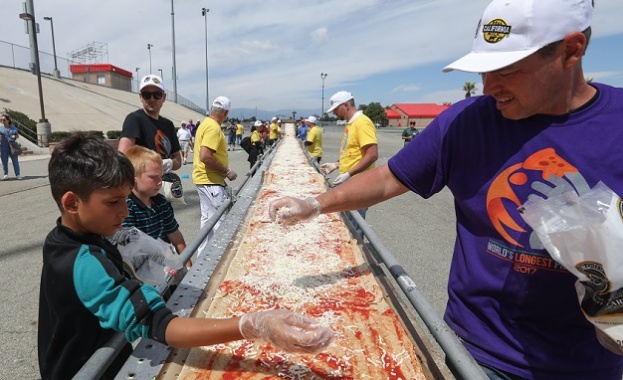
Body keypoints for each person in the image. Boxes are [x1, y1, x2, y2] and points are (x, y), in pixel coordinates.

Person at [269, 0, 623, 379]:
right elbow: (390, 177)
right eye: (485, 71)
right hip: (478, 353)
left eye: (507, 70)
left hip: (587, 362)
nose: (490, 88)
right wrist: (315, 203)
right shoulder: (467, 121)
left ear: (571, 51)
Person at [39, 133, 334, 380]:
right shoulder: (86, 264)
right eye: (114, 202)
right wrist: (253, 324)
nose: (125, 211)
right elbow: (162, 326)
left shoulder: (63, 239)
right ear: (72, 203)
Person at [320, 91, 378, 236]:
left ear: (346, 105)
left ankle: (357, 255)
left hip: (360, 184)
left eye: (336, 109)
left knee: (354, 226)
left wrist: (349, 174)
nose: (334, 113)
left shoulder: (362, 123)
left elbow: (372, 155)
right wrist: (336, 164)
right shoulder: (350, 124)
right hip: (351, 182)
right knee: (347, 224)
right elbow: (353, 153)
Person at [192, 96, 238, 255]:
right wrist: (227, 171)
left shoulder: (205, 123)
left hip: (204, 180)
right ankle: (218, 260)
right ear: (226, 112)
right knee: (220, 222)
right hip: (211, 181)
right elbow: (205, 156)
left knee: (207, 222)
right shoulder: (213, 128)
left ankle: (203, 257)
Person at [122, 145, 186, 255]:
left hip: (163, 260)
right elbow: (129, 250)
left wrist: (187, 264)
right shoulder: (126, 207)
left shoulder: (160, 201)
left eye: (161, 176)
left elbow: (174, 234)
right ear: (133, 178)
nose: (160, 182)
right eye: (153, 177)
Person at [118, 75, 182, 174]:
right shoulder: (134, 119)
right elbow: (123, 157)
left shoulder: (168, 124)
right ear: (140, 97)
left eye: (157, 94)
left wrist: (170, 163)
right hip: (142, 185)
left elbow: (178, 159)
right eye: (146, 95)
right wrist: (150, 166)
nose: (152, 99)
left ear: (163, 97)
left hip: (164, 182)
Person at [0, 114, 21, 180]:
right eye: (1, 120)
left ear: (8, 120)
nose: (2, 121)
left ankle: (18, 174)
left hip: (12, 145)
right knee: (4, 161)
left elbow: (17, 135)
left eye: (4, 120)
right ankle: (5, 174)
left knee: (15, 160)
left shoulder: (13, 127)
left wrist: (14, 136)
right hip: (4, 145)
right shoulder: (0, 128)